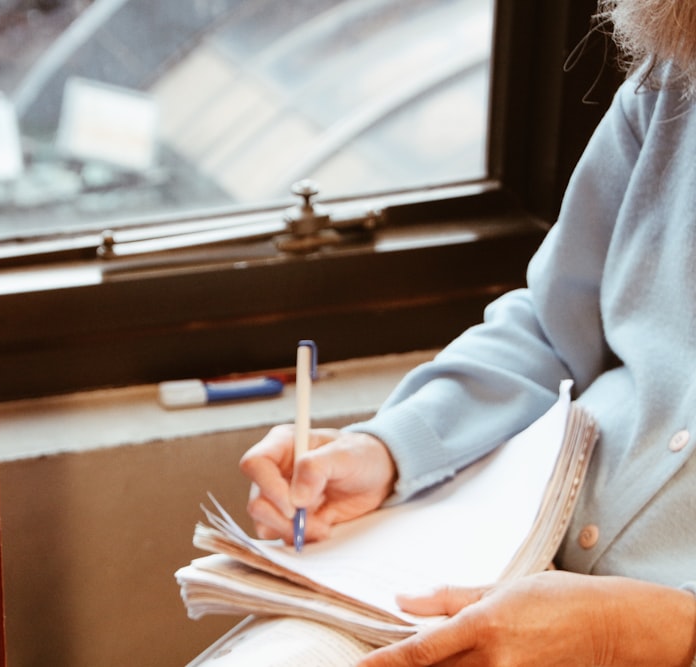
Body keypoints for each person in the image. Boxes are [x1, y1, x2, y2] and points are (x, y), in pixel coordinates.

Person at [238, 0, 696, 664]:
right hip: (497, 569)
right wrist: (391, 449)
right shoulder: (669, 84)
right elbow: (553, 328)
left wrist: (665, 630)